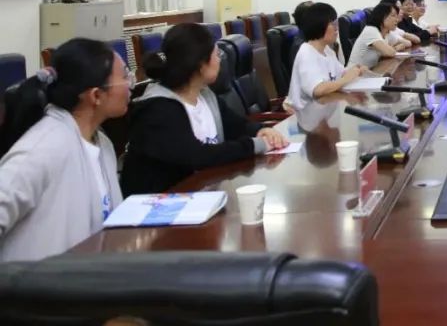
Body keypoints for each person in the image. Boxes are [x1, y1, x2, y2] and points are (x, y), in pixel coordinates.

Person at [0, 39, 129, 261]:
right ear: (96, 96)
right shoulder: (43, 148)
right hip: (38, 281)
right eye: (125, 76)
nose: (131, 84)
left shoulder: (101, 143)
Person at [122, 24, 289, 195]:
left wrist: (261, 131)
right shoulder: (158, 108)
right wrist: (254, 145)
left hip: (204, 192)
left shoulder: (205, 95)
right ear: (201, 64)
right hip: (164, 201)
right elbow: (198, 156)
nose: (219, 60)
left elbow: (236, 125)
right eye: (216, 55)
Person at [287, 2, 367, 112]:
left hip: (324, 110)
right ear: (318, 26)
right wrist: (346, 79)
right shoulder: (306, 53)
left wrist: (356, 70)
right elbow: (318, 90)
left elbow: (341, 73)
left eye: (336, 23)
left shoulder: (327, 50)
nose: (336, 28)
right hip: (306, 114)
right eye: (332, 24)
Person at [348, 1, 406, 69]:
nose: (397, 19)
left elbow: (406, 43)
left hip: (370, 71)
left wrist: (392, 48)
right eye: (393, 16)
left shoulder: (386, 32)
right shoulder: (371, 30)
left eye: (397, 16)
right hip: (355, 73)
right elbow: (390, 52)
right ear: (381, 17)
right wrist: (396, 48)